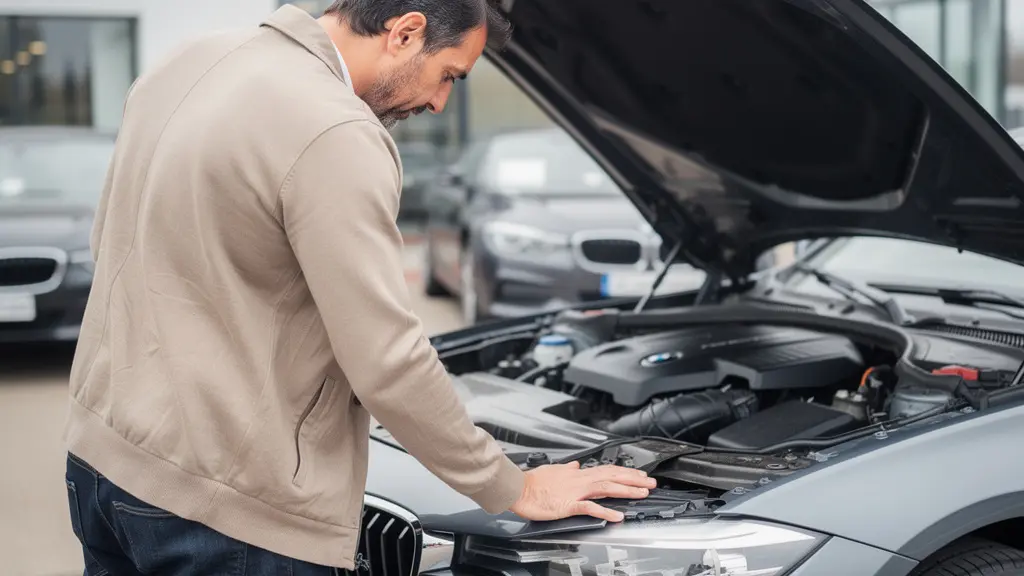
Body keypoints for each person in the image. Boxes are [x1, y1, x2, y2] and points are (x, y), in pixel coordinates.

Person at [62, 1, 656, 574]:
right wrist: (512, 486)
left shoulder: (190, 60)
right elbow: (385, 358)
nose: (440, 102)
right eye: (448, 75)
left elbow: (111, 243)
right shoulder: (336, 131)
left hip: (104, 461)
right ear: (405, 32)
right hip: (224, 513)